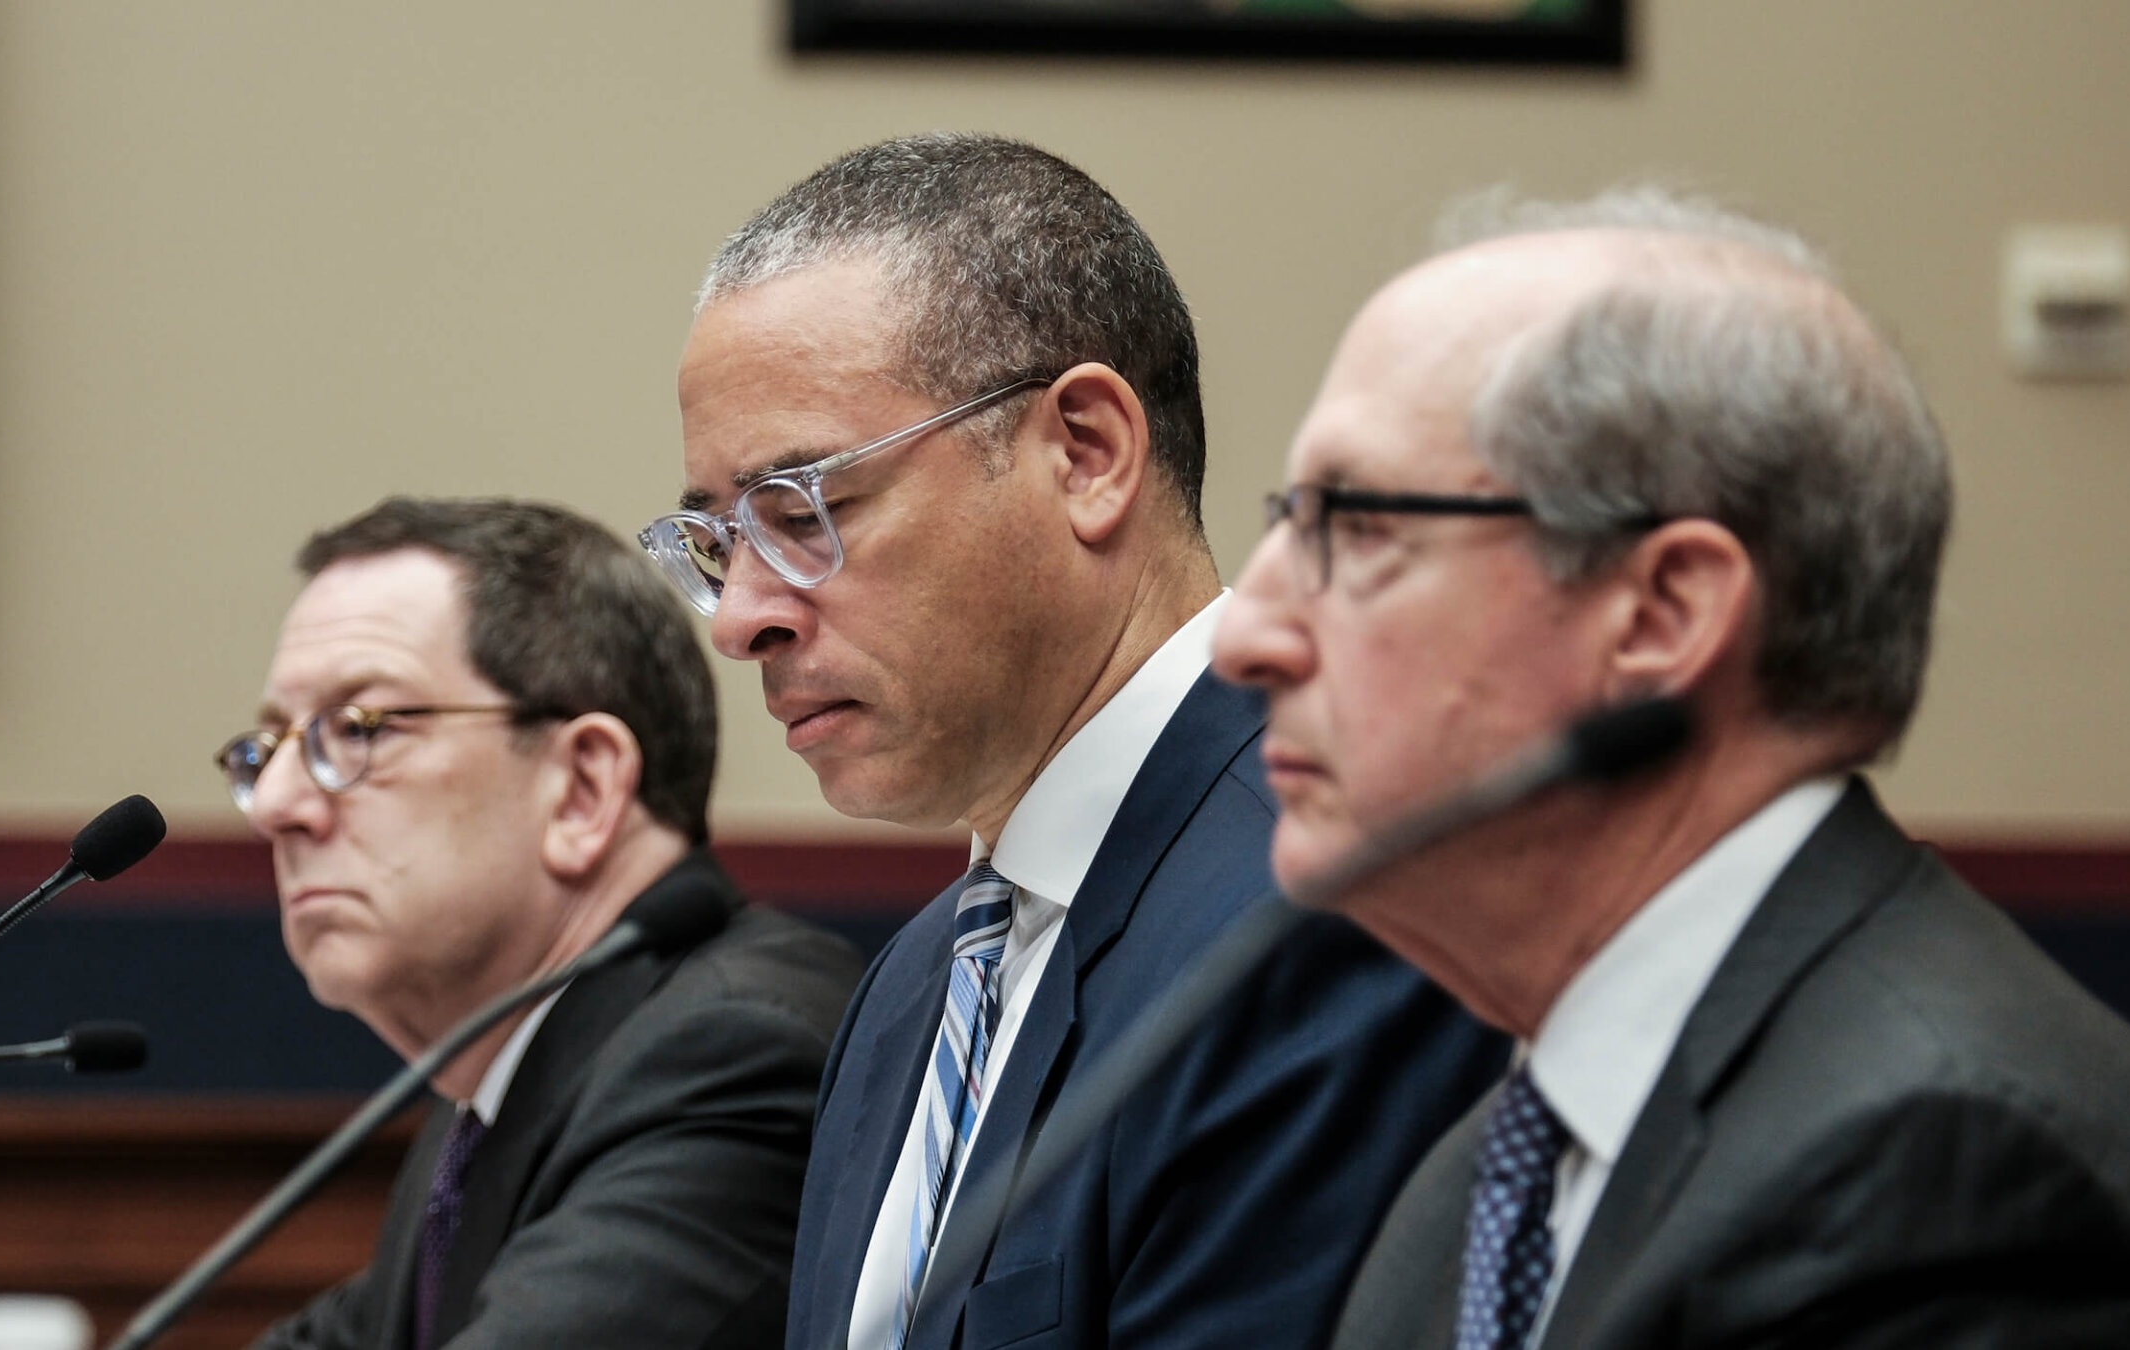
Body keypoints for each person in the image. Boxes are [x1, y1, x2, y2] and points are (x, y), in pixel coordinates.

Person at [1209, 187, 2130, 1349]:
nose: (1247, 632)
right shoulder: (1490, 1173)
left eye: (1358, 526)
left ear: (1662, 613)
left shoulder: (1934, 1173)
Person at [642, 133, 1505, 1350]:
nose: (741, 618)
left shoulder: (1323, 912)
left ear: (1086, 455)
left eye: (801, 513)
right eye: (720, 544)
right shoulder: (910, 996)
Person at [225, 497, 866, 1350]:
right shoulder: (500, 1089)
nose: (275, 805)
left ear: (582, 790)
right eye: (267, 750)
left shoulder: (729, 1055)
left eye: (356, 728)